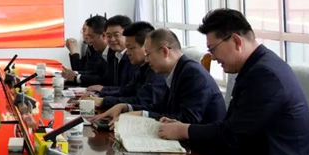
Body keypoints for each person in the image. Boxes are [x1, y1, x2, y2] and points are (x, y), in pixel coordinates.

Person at [158, 9, 309, 155]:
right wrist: (181, 128)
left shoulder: (265, 74)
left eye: (213, 49)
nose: (213, 58)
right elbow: (233, 127)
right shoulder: (257, 66)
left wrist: (183, 130)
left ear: (236, 41)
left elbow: (232, 135)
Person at [94, 28, 226, 125]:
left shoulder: (192, 74)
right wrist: (126, 107)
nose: (146, 60)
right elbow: (159, 108)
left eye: (148, 54)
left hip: (202, 151)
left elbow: (187, 120)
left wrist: (142, 116)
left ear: (164, 51)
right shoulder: (176, 71)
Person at [85, 22, 165, 111]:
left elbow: (142, 102)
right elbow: (125, 91)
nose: (127, 53)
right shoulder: (143, 68)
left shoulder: (158, 71)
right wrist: (99, 95)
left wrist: (103, 100)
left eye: (131, 48)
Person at [65, 15, 137, 87]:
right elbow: (99, 75)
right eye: (109, 36)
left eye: (116, 35)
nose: (112, 39)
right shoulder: (116, 55)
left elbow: (107, 82)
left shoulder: (132, 58)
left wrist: (77, 77)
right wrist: (75, 74)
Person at [65, 15, 107, 80]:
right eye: (83, 30)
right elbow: (85, 71)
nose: (85, 34)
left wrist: (74, 52)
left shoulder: (99, 49)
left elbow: (85, 70)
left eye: (91, 35)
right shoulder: (89, 48)